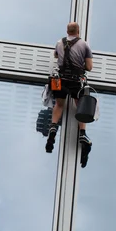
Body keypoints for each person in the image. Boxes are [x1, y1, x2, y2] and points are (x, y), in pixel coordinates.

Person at [45, 22, 93, 155]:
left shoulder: (59, 42)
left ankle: (53, 128)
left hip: (59, 79)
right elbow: (89, 67)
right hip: (76, 80)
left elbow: (56, 55)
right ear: (78, 31)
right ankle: (82, 134)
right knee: (80, 106)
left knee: (59, 104)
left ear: (67, 31)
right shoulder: (84, 44)